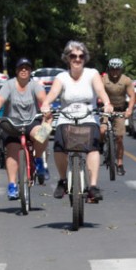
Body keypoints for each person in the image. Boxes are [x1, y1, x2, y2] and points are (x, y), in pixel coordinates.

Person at [41, 40, 113, 203]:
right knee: (58, 145)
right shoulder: (61, 77)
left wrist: (107, 103)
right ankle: (62, 180)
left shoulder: (92, 74)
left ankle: (93, 186)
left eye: (81, 56)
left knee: (93, 147)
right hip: (66, 118)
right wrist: (46, 104)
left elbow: (100, 91)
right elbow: (52, 94)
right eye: (73, 56)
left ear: (85, 58)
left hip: (88, 116)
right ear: (67, 58)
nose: (77, 59)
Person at [0, 57, 49, 199]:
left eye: (27, 68)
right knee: (12, 150)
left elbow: (43, 99)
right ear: (16, 71)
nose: (24, 70)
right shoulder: (9, 85)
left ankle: (39, 160)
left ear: (30, 71)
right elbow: (0, 99)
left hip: (31, 122)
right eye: (21, 68)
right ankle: (12, 185)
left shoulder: (35, 86)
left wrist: (46, 108)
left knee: (44, 132)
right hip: (12, 124)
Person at [102, 58, 136, 176]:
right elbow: (98, 93)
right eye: (112, 69)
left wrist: (129, 110)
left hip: (119, 110)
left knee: (119, 138)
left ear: (121, 70)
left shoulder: (126, 80)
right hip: (106, 110)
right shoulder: (104, 79)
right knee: (102, 130)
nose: (115, 72)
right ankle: (101, 145)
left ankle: (120, 163)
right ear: (109, 69)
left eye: (117, 69)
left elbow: (132, 96)